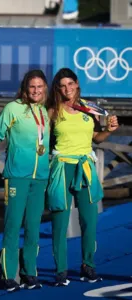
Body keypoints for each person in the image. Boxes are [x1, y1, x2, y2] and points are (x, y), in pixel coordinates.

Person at [46, 68, 119, 287]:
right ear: (58, 89)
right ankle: (60, 270)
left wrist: (110, 129)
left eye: (70, 84)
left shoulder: (90, 108)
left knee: (89, 221)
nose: (67, 89)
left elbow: (97, 138)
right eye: (62, 85)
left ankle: (88, 266)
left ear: (77, 84)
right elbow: (42, 141)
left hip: (85, 168)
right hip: (61, 169)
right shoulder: (53, 111)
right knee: (59, 222)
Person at [0, 70, 50, 292]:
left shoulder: (44, 111)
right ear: (25, 88)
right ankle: (8, 275)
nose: (36, 91)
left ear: (44, 89)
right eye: (32, 87)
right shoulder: (13, 108)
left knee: (33, 227)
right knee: (13, 226)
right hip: (17, 176)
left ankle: (29, 273)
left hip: (39, 177)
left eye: (40, 87)